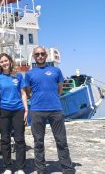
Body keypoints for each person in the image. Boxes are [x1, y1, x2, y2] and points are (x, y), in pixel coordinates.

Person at [25, 46, 75, 174]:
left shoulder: (56, 71)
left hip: (55, 110)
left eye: (42, 53)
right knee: (38, 142)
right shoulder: (29, 73)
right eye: (37, 54)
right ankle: (41, 169)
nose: (40, 56)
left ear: (46, 55)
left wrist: (52, 98)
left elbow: (60, 88)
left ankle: (68, 169)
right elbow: (28, 92)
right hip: (37, 110)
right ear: (34, 57)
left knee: (61, 140)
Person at [0, 53, 28, 174]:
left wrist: (26, 110)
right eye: (2, 62)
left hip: (18, 110)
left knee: (19, 139)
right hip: (3, 110)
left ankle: (20, 167)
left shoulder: (18, 76)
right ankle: (7, 166)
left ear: (10, 61)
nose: (4, 63)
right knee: (5, 139)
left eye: (6, 61)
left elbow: (23, 93)